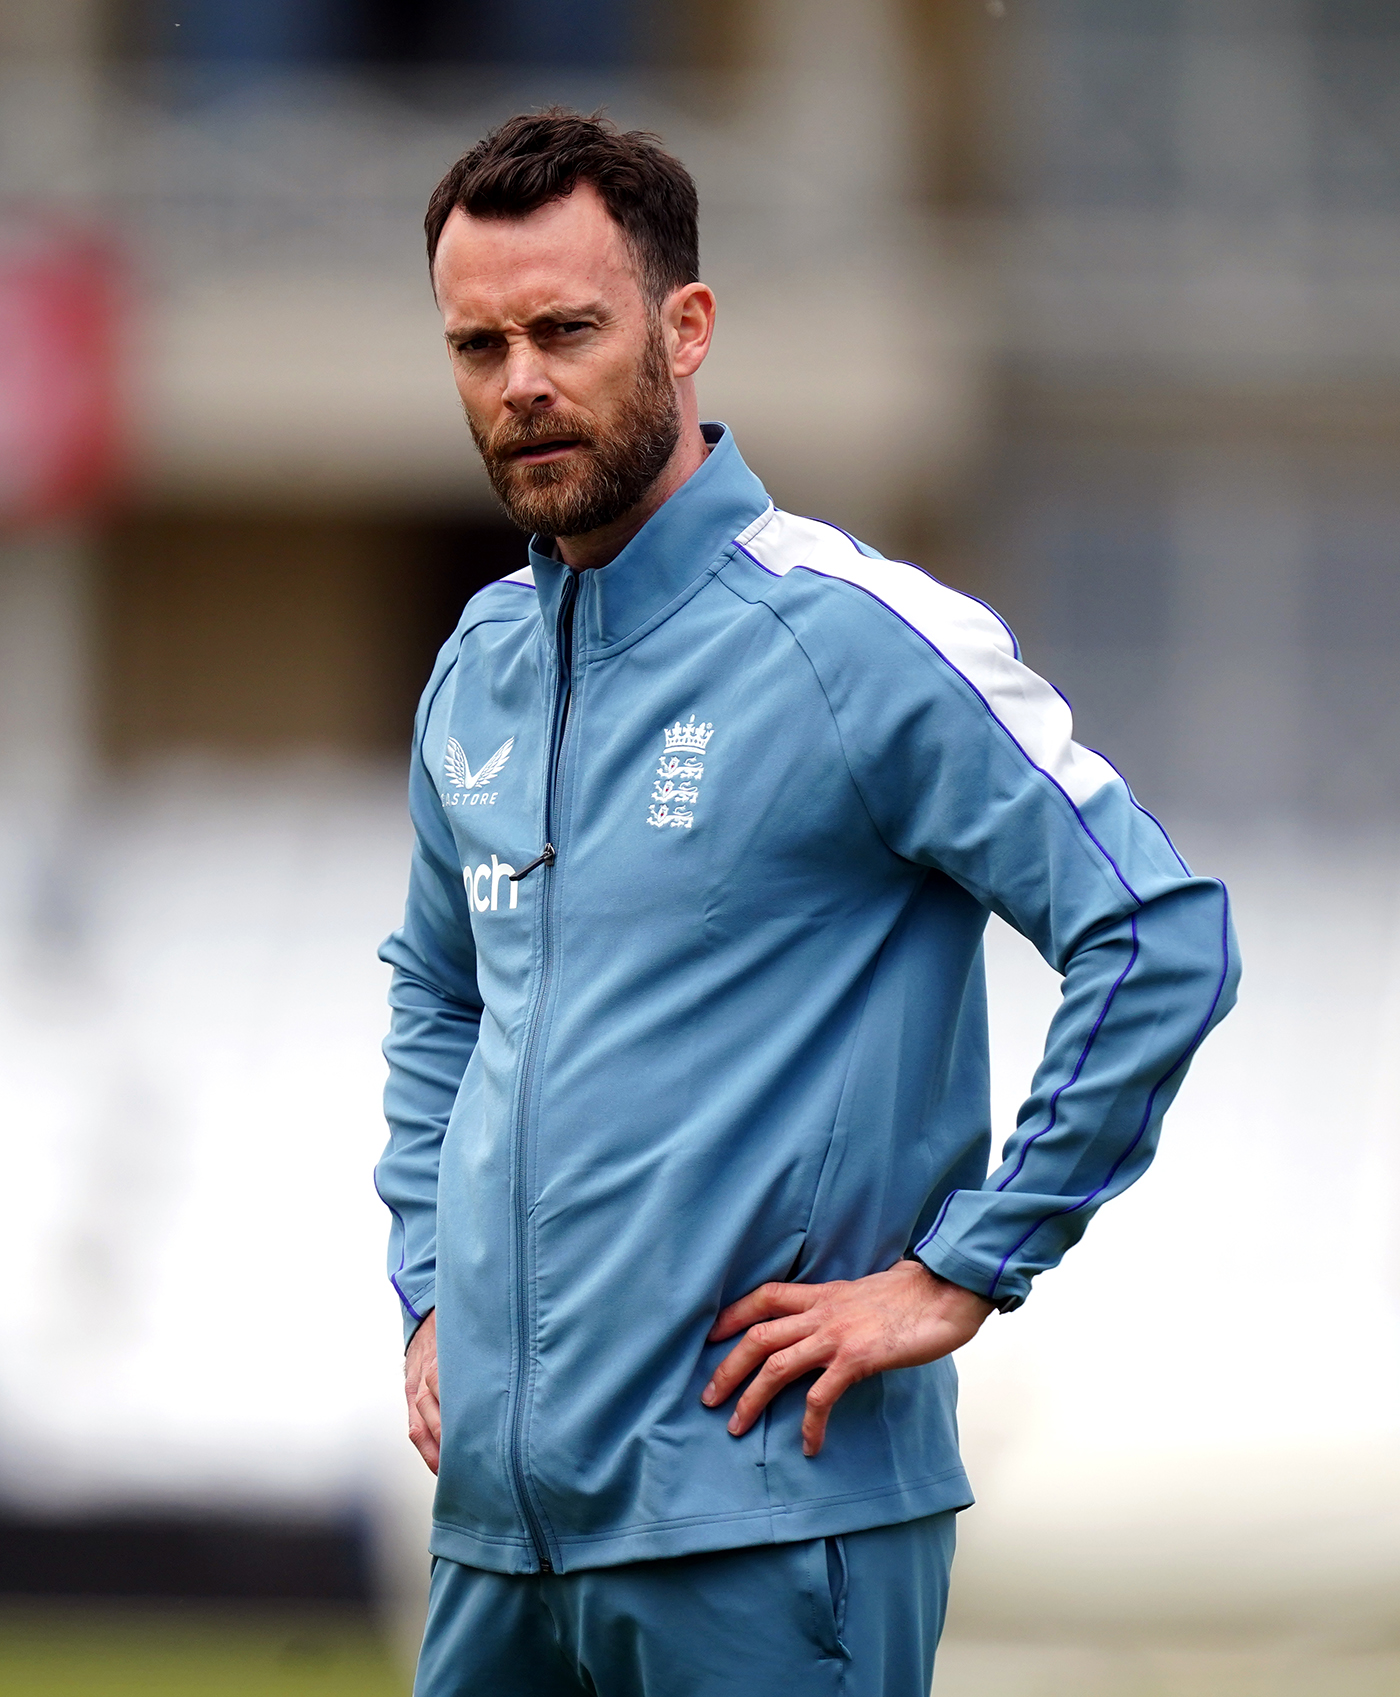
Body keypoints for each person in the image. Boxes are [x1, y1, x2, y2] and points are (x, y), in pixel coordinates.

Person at [375, 109, 1239, 1697]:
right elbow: (439, 991)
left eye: (566, 330)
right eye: (479, 345)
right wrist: (430, 1289)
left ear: (685, 327)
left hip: (770, 1528)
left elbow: (1157, 933)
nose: (522, 382)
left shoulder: (858, 640)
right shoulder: (477, 664)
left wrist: (961, 1266)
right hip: (499, 1540)